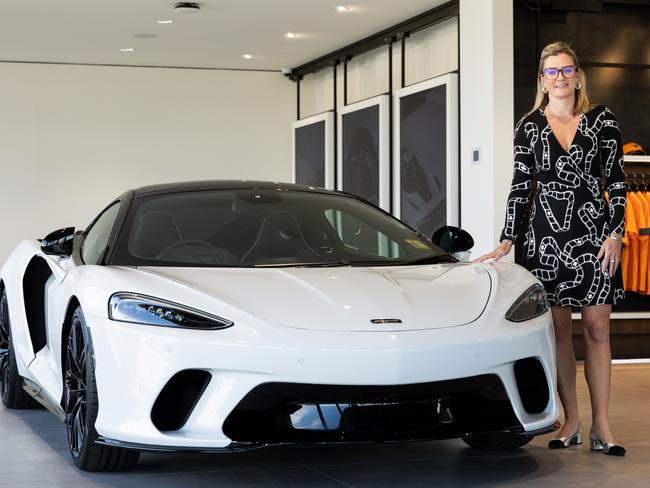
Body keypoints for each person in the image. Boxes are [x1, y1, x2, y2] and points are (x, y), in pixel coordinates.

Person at [476, 41, 626, 456]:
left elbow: (617, 181)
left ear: (578, 75)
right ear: (542, 80)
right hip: (543, 243)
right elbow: (521, 188)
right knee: (559, 331)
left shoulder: (603, 121)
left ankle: (602, 425)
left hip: (596, 241)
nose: (559, 78)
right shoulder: (528, 126)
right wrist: (507, 239)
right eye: (551, 72)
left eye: (566, 70)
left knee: (597, 330)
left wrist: (616, 233)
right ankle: (572, 420)